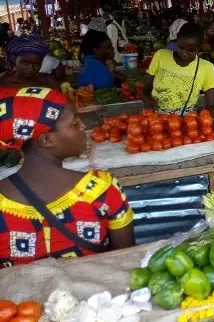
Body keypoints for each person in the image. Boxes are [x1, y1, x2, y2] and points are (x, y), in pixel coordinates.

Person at [0, 87, 134, 267]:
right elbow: (127, 259)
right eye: (74, 124)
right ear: (46, 140)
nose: (83, 126)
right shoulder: (100, 189)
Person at [143, 23, 214, 114]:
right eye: (181, 47)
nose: (184, 53)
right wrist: (148, 101)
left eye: (191, 50)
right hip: (155, 118)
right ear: (176, 41)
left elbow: (210, 106)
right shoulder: (160, 56)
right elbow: (146, 90)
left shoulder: (207, 68)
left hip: (187, 121)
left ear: (199, 48)